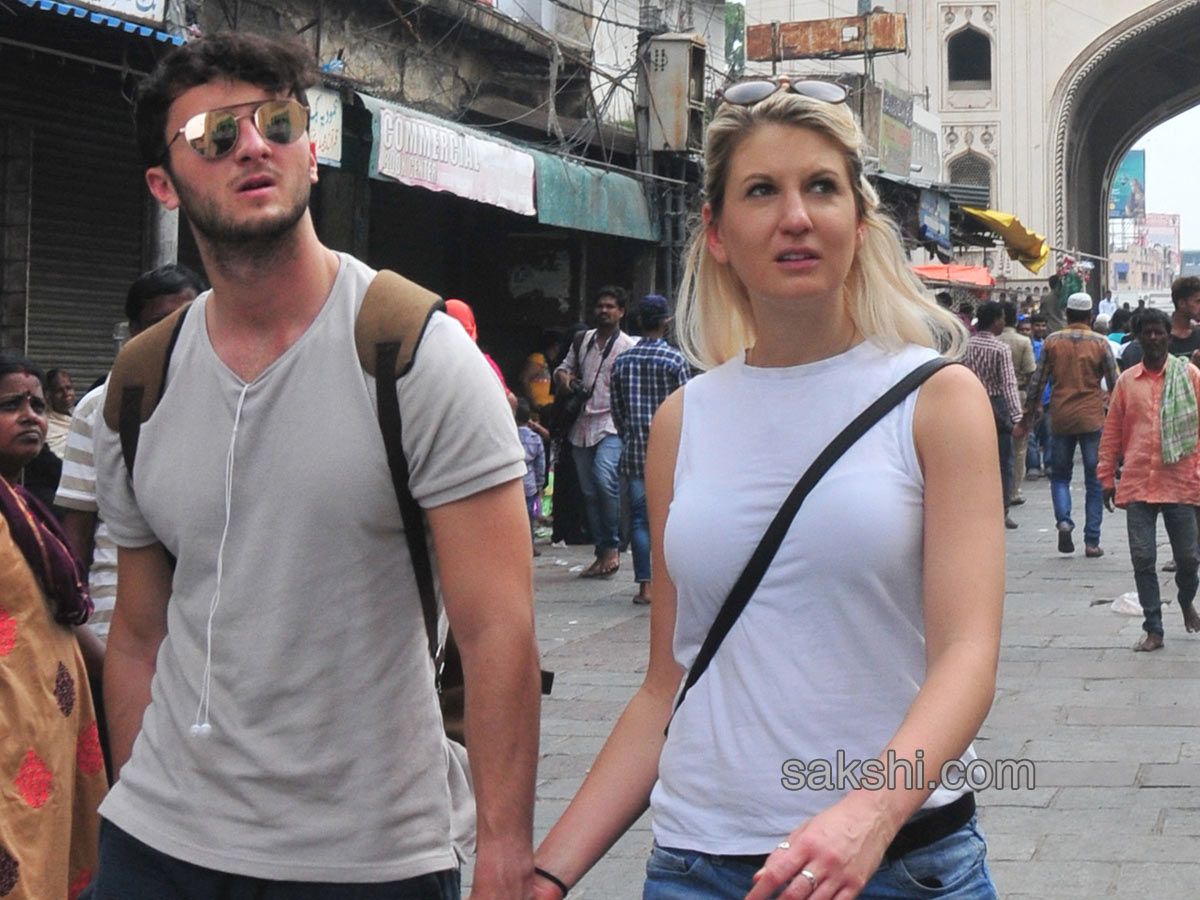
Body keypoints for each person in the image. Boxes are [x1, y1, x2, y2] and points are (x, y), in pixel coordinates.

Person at [86, 32, 540, 899]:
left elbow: (498, 632)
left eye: (279, 124)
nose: (254, 146)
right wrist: (139, 801)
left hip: (367, 858)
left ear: (311, 152)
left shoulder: (415, 356)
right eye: (217, 135)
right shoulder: (139, 386)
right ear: (163, 183)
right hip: (158, 848)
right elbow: (139, 633)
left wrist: (507, 856)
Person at [530, 79, 1002, 900]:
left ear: (859, 219)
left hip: (895, 866)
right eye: (762, 191)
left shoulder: (937, 399)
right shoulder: (685, 420)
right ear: (715, 231)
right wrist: (546, 871)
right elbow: (668, 681)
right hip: (696, 865)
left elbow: (968, 655)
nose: (796, 216)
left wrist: (871, 816)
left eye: (822, 186)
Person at [0, 353, 107, 900]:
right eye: (10, 405)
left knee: (51, 865)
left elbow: (59, 617)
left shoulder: (29, 506)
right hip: (8, 734)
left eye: (37, 406)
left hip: (52, 728)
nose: (31, 417)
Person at [57, 263, 205, 647]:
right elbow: (78, 526)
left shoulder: (229, 399)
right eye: (158, 322)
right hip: (117, 623)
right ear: (135, 331)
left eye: (186, 319)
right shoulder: (100, 408)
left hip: (206, 622)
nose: (174, 334)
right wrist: (77, 622)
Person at [1098, 308, 1200, 652]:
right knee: (1143, 558)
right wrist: (1105, 477)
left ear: (1169, 335)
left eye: (1159, 332)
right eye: (1147, 333)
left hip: (1182, 482)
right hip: (1139, 481)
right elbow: (1112, 431)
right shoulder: (1127, 381)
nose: (1153, 338)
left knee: (1189, 559)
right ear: (1138, 337)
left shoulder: (1190, 377)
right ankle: (1153, 628)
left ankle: (1186, 599)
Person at [1020, 292, 1117, 558]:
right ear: (1089, 316)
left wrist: (1030, 411)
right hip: (1091, 416)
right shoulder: (1100, 342)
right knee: (1094, 480)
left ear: (1067, 314)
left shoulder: (1052, 341)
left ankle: (1064, 521)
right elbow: (1115, 382)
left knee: (1060, 476)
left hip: (1060, 415)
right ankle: (1092, 541)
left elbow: (1038, 381)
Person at [609, 293, 691, 604]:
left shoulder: (623, 361)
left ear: (639, 321)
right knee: (672, 520)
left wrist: (629, 433)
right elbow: (687, 409)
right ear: (667, 322)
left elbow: (616, 410)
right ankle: (671, 587)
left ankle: (646, 586)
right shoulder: (675, 361)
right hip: (672, 455)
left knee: (641, 520)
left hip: (634, 454)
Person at [553, 287, 636, 578]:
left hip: (611, 424)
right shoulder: (583, 340)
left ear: (621, 312)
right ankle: (601, 552)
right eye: (600, 305)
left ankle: (612, 548)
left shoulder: (626, 346)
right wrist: (565, 379)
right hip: (582, 423)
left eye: (611, 306)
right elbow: (562, 369)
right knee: (588, 492)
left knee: (604, 479)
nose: (604, 310)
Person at [963, 301, 1022, 530]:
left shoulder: (967, 345)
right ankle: (1002, 510)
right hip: (997, 406)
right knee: (1003, 461)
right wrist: (1016, 417)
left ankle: (974, 507)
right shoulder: (1000, 349)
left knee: (973, 458)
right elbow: (1008, 383)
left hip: (970, 402)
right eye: (1002, 319)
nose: (1004, 323)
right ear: (996, 320)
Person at [996, 302, 1036, 504]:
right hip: (1019, 395)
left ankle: (998, 490)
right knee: (1019, 448)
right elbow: (1031, 372)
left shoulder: (992, 340)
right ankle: (1013, 491)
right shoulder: (1023, 342)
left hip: (992, 399)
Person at [517, 398, 546, 555]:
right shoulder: (535, 438)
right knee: (529, 517)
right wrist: (540, 483)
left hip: (512, 484)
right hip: (529, 485)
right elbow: (540, 465)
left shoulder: (509, 436)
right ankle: (530, 545)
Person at [44, 368, 76, 458]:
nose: (66, 394)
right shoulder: (46, 425)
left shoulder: (82, 415)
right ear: (49, 395)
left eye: (68, 388)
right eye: (59, 390)